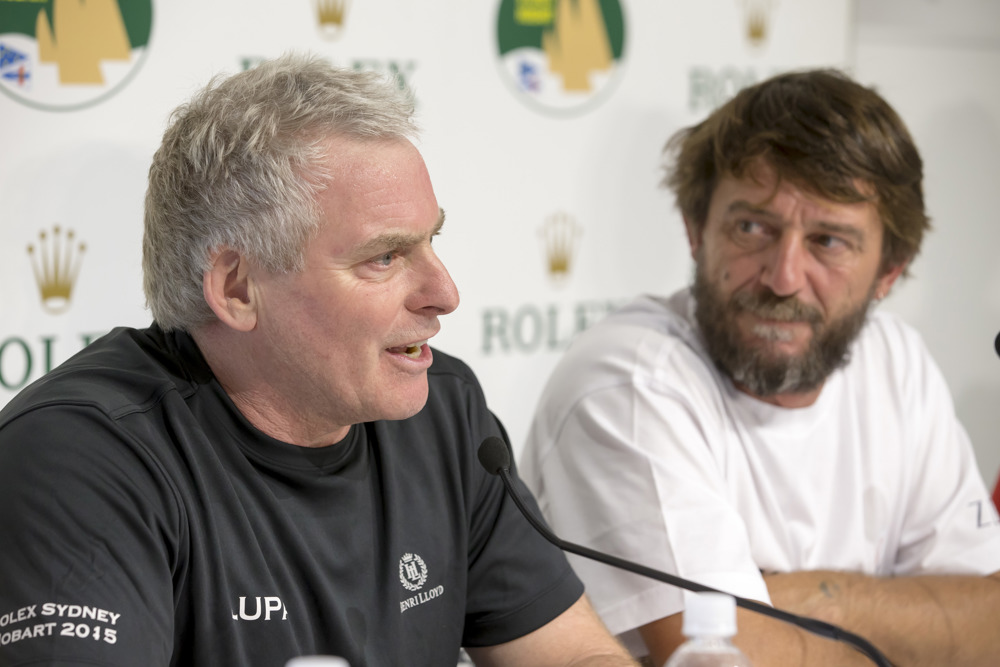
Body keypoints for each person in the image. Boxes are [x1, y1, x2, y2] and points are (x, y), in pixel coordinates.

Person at [0, 54, 635, 667]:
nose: (445, 293)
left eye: (431, 240)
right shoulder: (80, 456)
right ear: (237, 289)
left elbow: (574, 653)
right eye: (384, 257)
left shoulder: (443, 408)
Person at [520, 69, 1000, 667]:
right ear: (696, 231)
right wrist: (911, 622)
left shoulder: (897, 360)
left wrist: (813, 598)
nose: (783, 278)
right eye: (752, 228)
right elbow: (717, 655)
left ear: (889, 272)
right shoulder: (629, 379)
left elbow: (989, 625)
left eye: (829, 241)